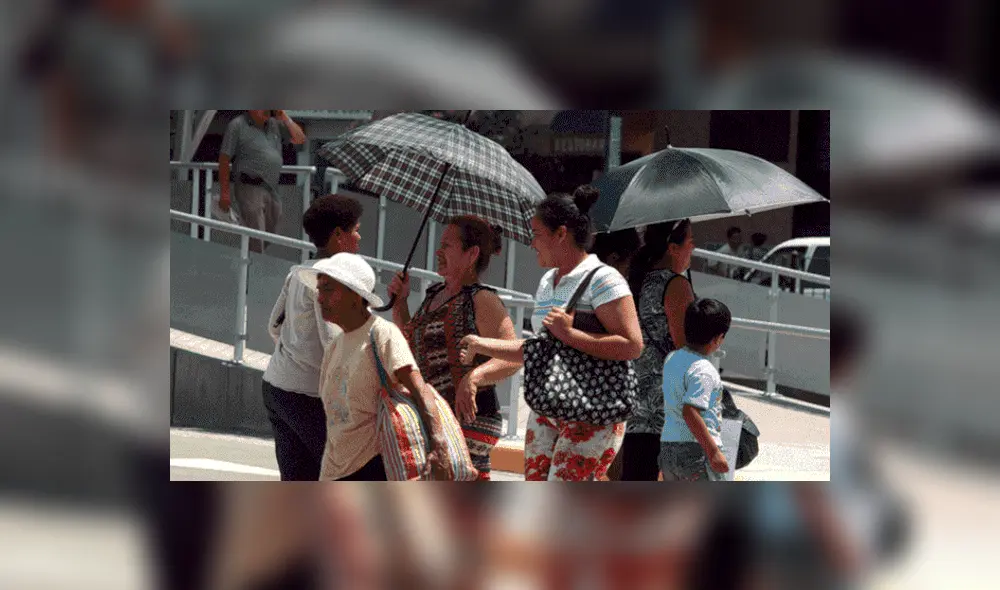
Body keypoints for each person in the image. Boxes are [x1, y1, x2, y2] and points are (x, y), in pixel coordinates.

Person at [460, 185, 644, 481]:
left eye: (537, 234)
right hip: (549, 405)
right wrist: (483, 345)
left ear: (561, 234)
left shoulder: (604, 279)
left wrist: (571, 334)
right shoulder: (548, 281)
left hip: (593, 412)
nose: (532, 243)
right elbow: (541, 348)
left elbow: (633, 345)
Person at [387, 216, 521, 480]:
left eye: (447, 245)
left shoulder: (482, 300)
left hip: (469, 417)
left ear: (471, 254)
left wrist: (473, 378)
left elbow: (515, 356)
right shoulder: (433, 295)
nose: (438, 251)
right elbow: (411, 346)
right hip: (436, 415)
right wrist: (400, 303)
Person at [299, 253, 453, 481]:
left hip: (371, 468)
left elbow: (420, 389)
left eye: (328, 289)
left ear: (355, 295)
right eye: (319, 289)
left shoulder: (381, 334)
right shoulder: (335, 346)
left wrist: (439, 446)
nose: (320, 298)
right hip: (333, 470)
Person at [262, 195, 363, 481]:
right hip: (308, 399)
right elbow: (334, 342)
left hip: (276, 388)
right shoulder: (332, 280)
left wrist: (297, 353)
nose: (359, 236)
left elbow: (274, 325)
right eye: (355, 229)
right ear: (338, 236)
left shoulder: (299, 271)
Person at [619, 219, 696, 481]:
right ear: (673, 248)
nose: (693, 248)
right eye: (690, 241)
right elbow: (685, 348)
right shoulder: (675, 285)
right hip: (665, 407)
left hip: (635, 401)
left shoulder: (637, 280)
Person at [659, 298, 732, 482]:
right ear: (718, 338)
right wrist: (713, 452)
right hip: (697, 451)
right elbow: (690, 411)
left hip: (668, 447)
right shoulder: (703, 370)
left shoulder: (672, 359)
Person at [219, 110, 307, 253]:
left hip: (271, 187)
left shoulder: (274, 124)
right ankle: (253, 265)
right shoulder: (237, 125)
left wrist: (284, 117)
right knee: (256, 233)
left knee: (272, 230)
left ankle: (254, 257)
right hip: (249, 185)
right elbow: (224, 159)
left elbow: (300, 138)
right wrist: (225, 192)